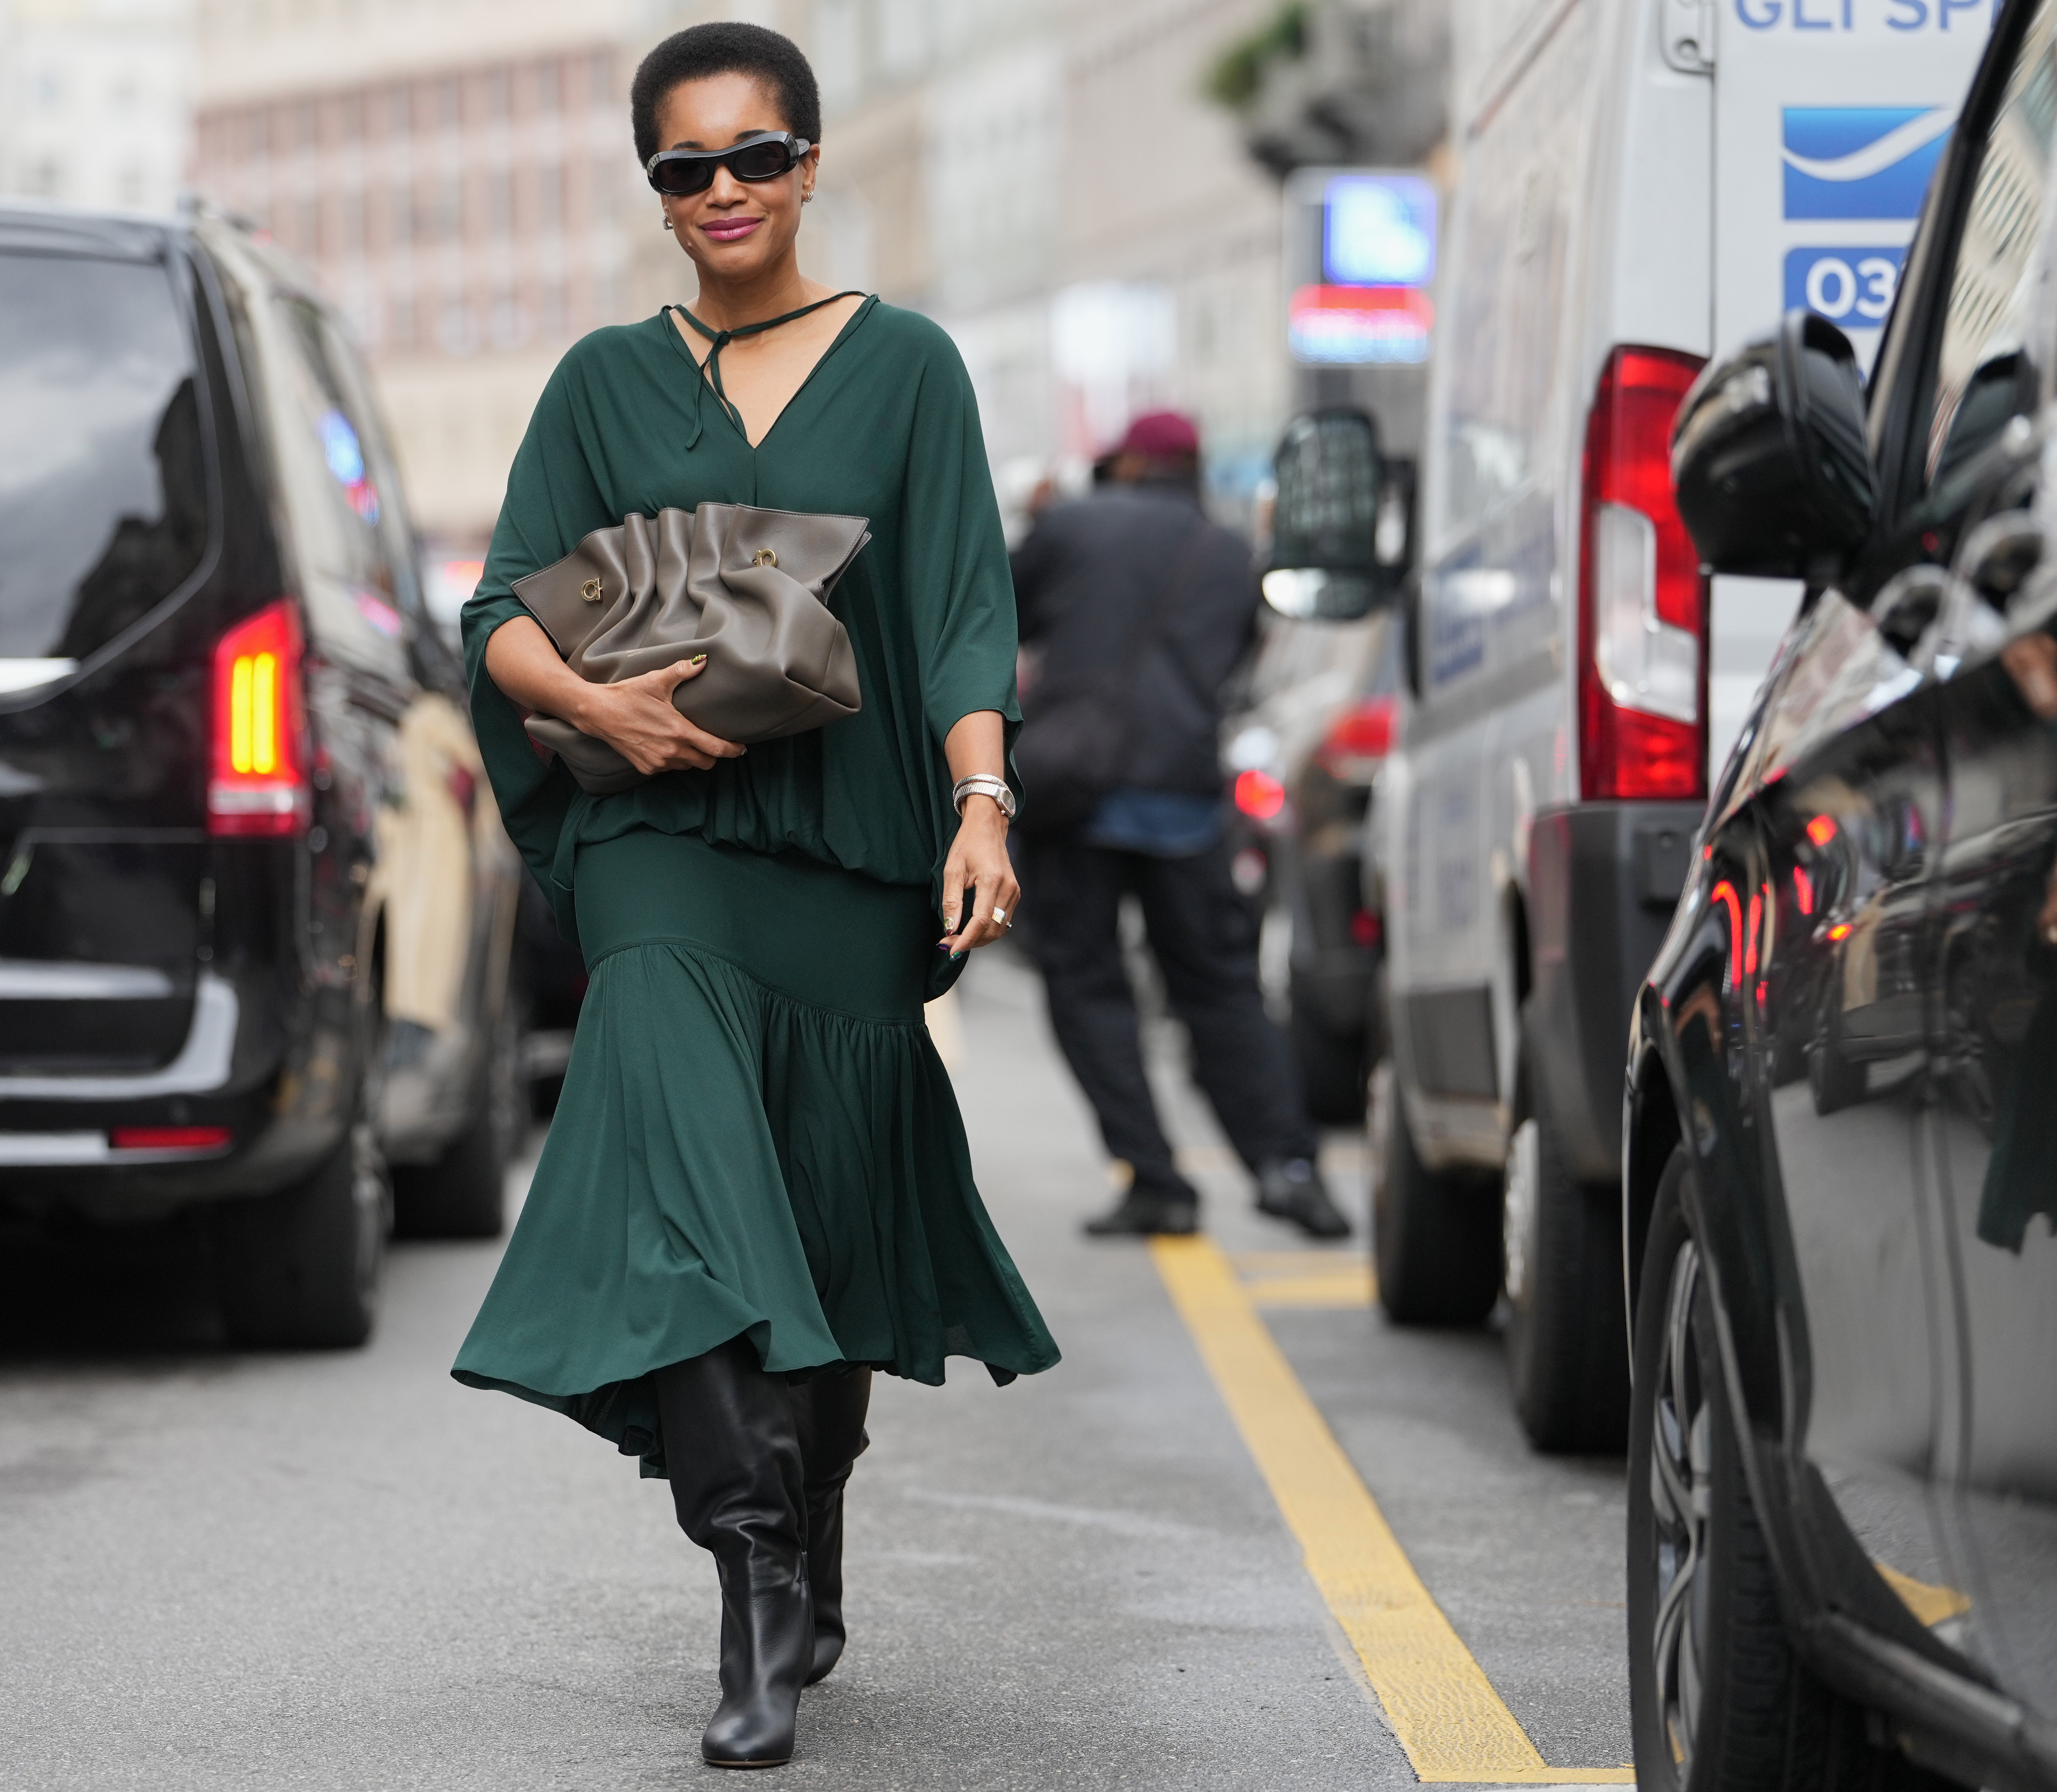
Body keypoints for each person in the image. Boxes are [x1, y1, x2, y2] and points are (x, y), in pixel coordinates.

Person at [448, 21, 1056, 1770]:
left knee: (823, 1204)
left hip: (852, 858)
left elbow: (959, 607)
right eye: (684, 167)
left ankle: (809, 1503)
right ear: (654, 187)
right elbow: (499, 607)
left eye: (754, 156)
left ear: (809, 161)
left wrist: (982, 803)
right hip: (659, 848)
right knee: (686, 1149)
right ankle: (754, 1569)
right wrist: (589, 704)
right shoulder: (599, 382)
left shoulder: (913, 365)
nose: (722, 191)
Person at [1010, 411, 1348, 1240]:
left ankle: (1155, 1178)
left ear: (1123, 464)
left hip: (1077, 794)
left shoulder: (1070, 525)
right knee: (1220, 990)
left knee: (1087, 988)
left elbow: (999, 613)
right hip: (1184, 801)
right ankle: (1285, 1166)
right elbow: (1236, 666)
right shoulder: (1228, 553)